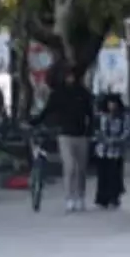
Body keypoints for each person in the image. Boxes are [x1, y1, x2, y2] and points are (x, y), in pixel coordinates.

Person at [35, 67, 95, 212]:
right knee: (69, 167)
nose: (70, 79)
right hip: (65, 135)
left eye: (73, 76)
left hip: (81, 135)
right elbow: (47, 110)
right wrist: (34, 122)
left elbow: (90, 113)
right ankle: (69, 197)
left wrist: (91, 130)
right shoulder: (58, 94)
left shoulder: (83, 93)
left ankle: (80, 196)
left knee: (81, 169)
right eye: (68, 76)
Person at [92, 95, 130, 209]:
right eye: (110, 103)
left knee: (115, 175)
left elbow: (127, 131)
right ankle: (102, 198)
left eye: (114, 103)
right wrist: (103, 139)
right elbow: (97, 131)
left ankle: (114, 197)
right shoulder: (101, 116)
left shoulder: (123, 117)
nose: (112, 106)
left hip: (116, 151)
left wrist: (118, 140)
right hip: (102, 151)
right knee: (103, 175)